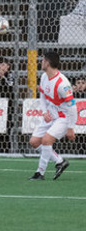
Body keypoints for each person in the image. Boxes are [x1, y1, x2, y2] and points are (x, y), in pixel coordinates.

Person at [29, 51, 76, 180]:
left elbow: (73, 107)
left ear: (47, 63)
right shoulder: (44, 77)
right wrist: (45, 112)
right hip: (51, 115)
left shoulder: (62, 83)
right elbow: (43, 96)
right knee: (34, 142)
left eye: (42, 60)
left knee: (46, 140)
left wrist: (70, 128)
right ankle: (60, 161)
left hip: (63, 118)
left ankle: (40, 173)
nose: (41, 62)